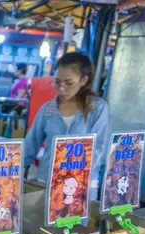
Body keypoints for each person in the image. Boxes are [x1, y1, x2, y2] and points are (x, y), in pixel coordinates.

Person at [24, 52, 110, 194]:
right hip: (47, 185)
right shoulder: (47, 109)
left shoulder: (97, 108)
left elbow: (98, 150)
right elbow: (29, 147)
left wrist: (71, 175)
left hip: (80, 188)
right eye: (57, 82)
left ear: (83, 80)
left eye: (69, 83)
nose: (61, 88)